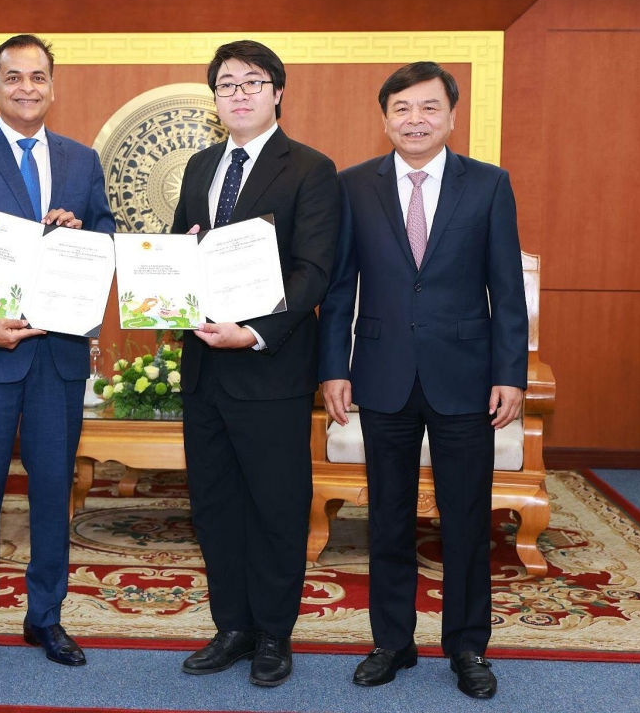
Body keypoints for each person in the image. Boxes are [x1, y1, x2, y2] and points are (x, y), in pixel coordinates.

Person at [317, 61, 528, 700]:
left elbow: (507, 289)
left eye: (429, 107)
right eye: (402, 109)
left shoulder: (488, 184)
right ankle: (392, 642)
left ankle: (467, 646)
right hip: (382, 373)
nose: (416, 120)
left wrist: (510, 374)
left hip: (466, 377)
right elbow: (339, 287)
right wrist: (333, 367)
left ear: (452, 116)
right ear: (385, 119)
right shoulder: (354, 185)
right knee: (388, 516)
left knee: (466, 519)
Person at [0, 34, 115, 678]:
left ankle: (46, 617)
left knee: (54, 491)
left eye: (38, 77)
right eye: (13, 77)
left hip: (57, 357)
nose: (26, 87)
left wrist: (82, 235)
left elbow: (106, 237)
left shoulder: (82, 161)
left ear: (52, 86)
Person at [171, 40, 340, 688]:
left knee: (275, 505)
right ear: (214, 98)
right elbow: (182, 249)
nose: (237, 94)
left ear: (277, 92)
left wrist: (255, 332)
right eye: (226, 84)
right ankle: (232, 627)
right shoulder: (200, 165)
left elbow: (313, 269)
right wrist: (178, 261)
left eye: (251, 82)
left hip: (270, 368)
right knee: (214, 505)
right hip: (203, 368)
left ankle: (273, 632)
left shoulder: (311, 169)